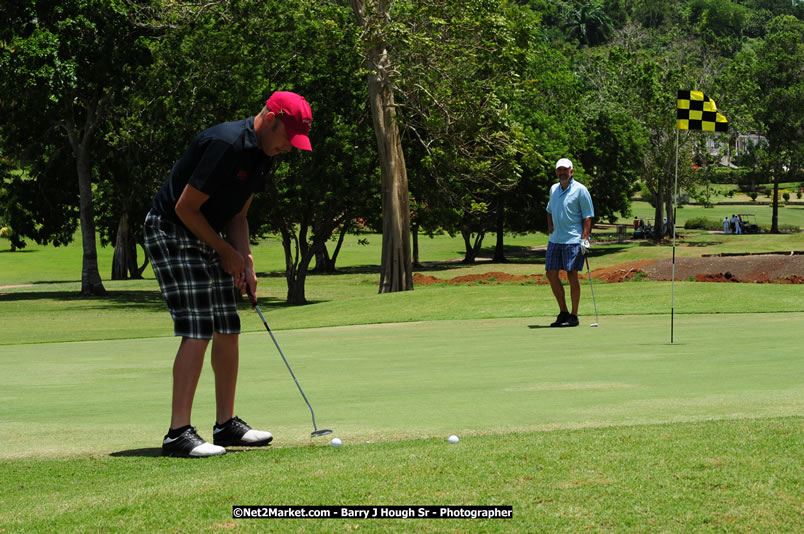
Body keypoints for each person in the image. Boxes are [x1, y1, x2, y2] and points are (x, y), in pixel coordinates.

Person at [143, 91, 313, 457]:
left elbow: (237, 214)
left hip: (205, 232)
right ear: (270, 120)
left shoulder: (263, 156)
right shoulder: (226, 144)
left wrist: (245, 260)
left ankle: (226, 426)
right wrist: (225, 252)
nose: (289, 147)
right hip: (170, 229)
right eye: (288, 137)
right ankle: (178, 433)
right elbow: (185, 208)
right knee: (198, 326)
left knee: (228, 326)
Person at [545, 158, 594, 327]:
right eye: (559, 170)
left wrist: (584, 238)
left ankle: (574, 315)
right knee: (551, 274)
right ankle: (563, 312)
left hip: (573, 239)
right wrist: (550, 225)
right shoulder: (553, 189)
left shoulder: (581, 190)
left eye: (565, 170)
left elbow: (588, 216)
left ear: (571, 171)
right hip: (555, 239)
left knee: (571, 274)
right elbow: (549, 210)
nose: (562, 173)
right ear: (556, 172)